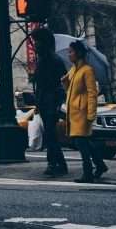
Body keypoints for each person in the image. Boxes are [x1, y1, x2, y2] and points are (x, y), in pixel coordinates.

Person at [63, 40, 108, 183]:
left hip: (82, 113)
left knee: (81, 143)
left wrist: (91, 113)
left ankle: (88, 172)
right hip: (73, 112)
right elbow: (70, 92)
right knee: (85, 142)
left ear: (79, 53)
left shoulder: (87, 70)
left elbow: (92, 93)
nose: (69, 54)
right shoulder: (73, 70)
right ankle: (100, 165)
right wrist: (65, 82)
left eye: (71, 52)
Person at [31, 28, 68, 177]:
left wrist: (57, 102)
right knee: (50, 135)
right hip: (45, 102)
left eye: (37, 42)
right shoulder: (43, 60)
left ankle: (54, 164)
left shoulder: (53, 60)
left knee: (50, 135)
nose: (35, 45)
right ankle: (58, 164)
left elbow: (62, 83)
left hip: (50, 102)